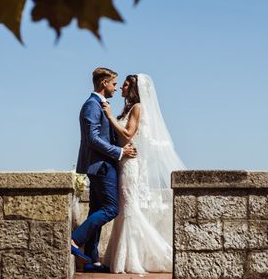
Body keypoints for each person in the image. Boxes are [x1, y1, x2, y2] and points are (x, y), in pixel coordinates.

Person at [101, 74, 185, 274]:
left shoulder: (138, 108)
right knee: (125, 209)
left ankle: (134, 258)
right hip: (122, 162)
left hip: (130, 163)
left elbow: (129, 134)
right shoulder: (129, 108)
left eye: (126, 85)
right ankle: (121, 257)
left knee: (129, 208)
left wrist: (110, 117)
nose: (121, 87)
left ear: (134, 89)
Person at [71, 67, 137, 274]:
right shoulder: (92, 105)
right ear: (104, 83)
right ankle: (74, 239)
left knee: (95, 210)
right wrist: (119, 151)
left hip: (102, 164)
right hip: (101, 165)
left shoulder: (101, 105)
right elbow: (92, 138)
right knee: (111, 209)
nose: (116, 89)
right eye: (114, 84)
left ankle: (93, 261)